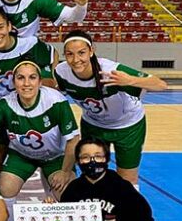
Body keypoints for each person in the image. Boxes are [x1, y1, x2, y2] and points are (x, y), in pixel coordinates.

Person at [0, 61, 79, 221]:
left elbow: (73, 140)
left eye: (32, 77)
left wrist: (65, 172)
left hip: (54, 156)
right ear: (13, 82)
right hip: (22, 155)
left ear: (40, 81)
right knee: (5, 187)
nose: (26, 83)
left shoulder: (55, 102)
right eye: (20, 78)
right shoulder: (6, 103)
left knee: (67, 190)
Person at [0, 0, 59, 206]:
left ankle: (54, 204)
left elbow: (54, 55)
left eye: (1, 27)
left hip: (31, 115)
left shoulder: (30, 45)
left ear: (10, 26)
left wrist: (45, 83)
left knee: (50, 163)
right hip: (0, 116)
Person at [53, 30, 167, 189]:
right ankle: (98, 210)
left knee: (127, 179)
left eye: (81, 53)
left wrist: (131, 80)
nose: (76, 59)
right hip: (93, 125)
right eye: (70, 54)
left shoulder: (109, 70)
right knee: (92, 174)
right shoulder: (61, 71)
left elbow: (160, 85)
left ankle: (127, 213)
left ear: (91, 51)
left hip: (128, 126)